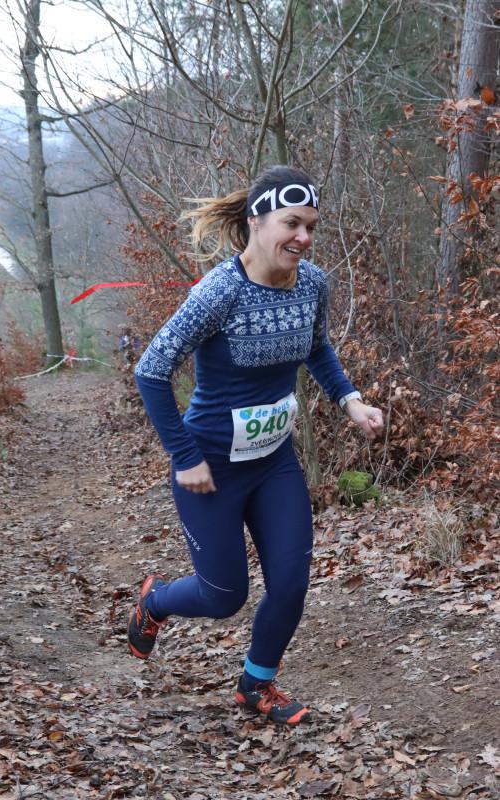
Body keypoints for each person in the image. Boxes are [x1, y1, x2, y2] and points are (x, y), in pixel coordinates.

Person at [128, 165, 384, 726]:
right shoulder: (219, 292)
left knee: (290, 584)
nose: (304, 237)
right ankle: (155, 601)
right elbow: (151, 371)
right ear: (256, 221)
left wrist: (350, 400)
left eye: (311, 226)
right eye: (292, 223)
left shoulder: (313, 283)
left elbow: (316, 348)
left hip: (274, 463)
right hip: (211, 468)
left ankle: (256, 684)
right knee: (223, 596)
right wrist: (185, 456)